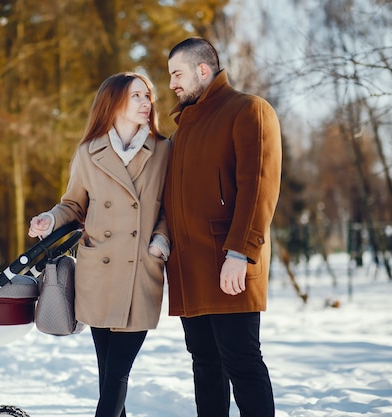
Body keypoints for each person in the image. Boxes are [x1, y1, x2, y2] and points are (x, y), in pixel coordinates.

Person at [28, 72, 170, 417]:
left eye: (147, 95)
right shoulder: (89, 153)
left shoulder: (164, 149)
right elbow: (73, 205)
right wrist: (50, 218)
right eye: (136, 96)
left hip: (139, 271)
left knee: (117, 374)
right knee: (109, 376)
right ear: (114, 102)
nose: (145, 102)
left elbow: (172, 206)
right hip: (98, 273)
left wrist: (160, 240)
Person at [164, 37, 282, 417]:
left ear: (203, 69)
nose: (171, 85)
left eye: (177, 74)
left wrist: (239, 251)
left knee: (242, 363)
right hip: (189, 269)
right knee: (205, 367)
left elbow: (259, 184)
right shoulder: (181, 131)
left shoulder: (248, 110)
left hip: (228, 264)